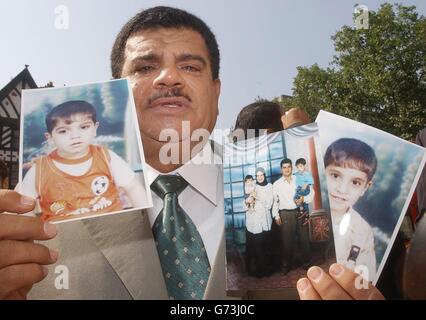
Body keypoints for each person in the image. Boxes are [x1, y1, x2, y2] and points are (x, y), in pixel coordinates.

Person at [0, 6, 384, 300]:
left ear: (217, 93)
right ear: (115, 89)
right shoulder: (30, 225)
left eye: (189, 65)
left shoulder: (328, 214)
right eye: (146, 66)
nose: (168, 78)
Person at [20, 100, 146, 222]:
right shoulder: (39, 170)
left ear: (95, 128)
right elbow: (23, 205)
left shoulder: (107, 157)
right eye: (63, 131)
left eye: (84, 127)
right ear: (50, 138)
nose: (75, 136)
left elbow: (133, 187)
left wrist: (145, 218)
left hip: (112, 225)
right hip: (64, 235)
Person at [323, 138, 377, 281]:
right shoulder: (307, 212)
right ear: (323, 172)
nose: (342, 189)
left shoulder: (363, 231)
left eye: (355, 182)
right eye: (335, 176)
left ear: (365, 187)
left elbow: (364, 282)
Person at [272, 158, 312, 274]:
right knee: (286, 241)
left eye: (289, 166)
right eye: (284, 167)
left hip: (300, 211)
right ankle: (286, 265)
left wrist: (303, 198)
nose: (287, 169)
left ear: (292, 167)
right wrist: (276, 216)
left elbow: (308, 193)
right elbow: (275, 202)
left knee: (304, 239)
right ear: (281, 169)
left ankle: (307, 263)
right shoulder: (277, 184)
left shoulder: (299, 179)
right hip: (285, 214)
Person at [245, 168, 274, 278]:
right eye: (257, 176)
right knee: (257, 248)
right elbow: (247, 201)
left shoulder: (269, 186)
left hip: (266, 221)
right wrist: (248, 202)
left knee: (267, 247)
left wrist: (258, 196)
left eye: (261, 175)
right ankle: (259, 271)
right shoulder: (253, 186)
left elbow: (269, 204)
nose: (260, 177)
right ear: (255, 177)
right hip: (254, 222)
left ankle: (267, 270)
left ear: (264, 175)